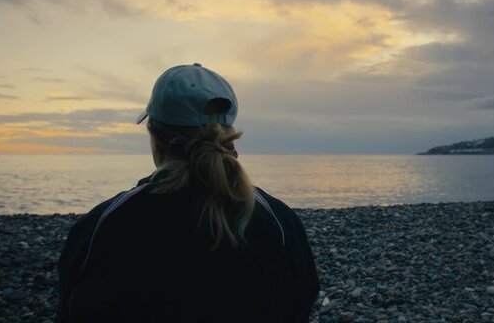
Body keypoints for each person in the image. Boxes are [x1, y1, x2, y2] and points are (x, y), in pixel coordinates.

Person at [56, 63, 320, 322]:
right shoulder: (278, 220)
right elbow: (299, 302)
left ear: (155, 137)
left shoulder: (105, 224)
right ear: (227, 135)